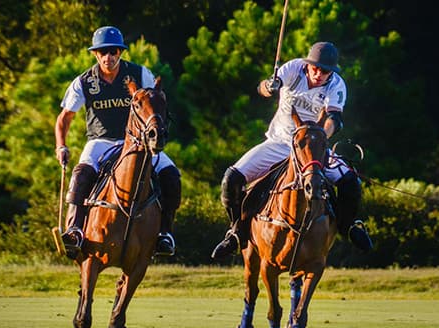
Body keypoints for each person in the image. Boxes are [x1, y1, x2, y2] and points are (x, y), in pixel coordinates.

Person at [211, 41, 373, 259]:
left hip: (313, 149)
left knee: (350, 181)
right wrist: (269, 87)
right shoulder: (293, 68)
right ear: (308, 65)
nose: (319, 74)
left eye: (325, 71)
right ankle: (237, 231)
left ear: (331, 72)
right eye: (315, 68)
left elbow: (335, 118)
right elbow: (263, 88)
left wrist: (321, 138)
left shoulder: (336, 85)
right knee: (231, 179)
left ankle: (348, 226)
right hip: (279, 143)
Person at [55, 26, 181, 259]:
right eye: (102, 52)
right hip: (101, 141)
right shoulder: (84, 82)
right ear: (95, 54)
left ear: (120, 52)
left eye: (113, 52)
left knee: (171, 175)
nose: (108, 57)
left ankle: (165, 233)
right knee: (81, 174)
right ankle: (75, 229)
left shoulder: (140, 74)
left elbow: (156, 101)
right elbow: (64, 118)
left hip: (137, 143)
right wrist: (61, 145)